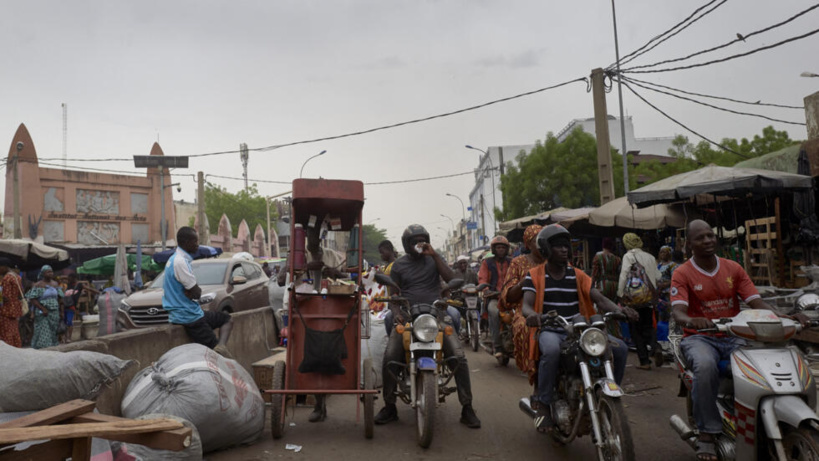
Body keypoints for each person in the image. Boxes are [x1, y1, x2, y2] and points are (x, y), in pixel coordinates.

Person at [671, 220, 807, 461]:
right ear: (689, 244)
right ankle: (707, 433)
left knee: (764, 365)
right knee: (705, 365)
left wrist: (784, 316)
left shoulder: (733, 268)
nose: (708, 240)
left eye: (710, 235)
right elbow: (678, 312)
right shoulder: (682, 273)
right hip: (700, 338)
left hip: (735, 335)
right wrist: (693, 320)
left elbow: (757, 302)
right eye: (701, 238)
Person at [521, 225, 637, 432]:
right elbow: (526, 305)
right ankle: (544, 404)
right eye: (558, 246)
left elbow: (600, 299)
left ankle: (608, 397)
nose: (564, 250)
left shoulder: (578, 275)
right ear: (546, 249)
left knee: (620, 349)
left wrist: (621, 310)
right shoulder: (534, 275)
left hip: (581, 328)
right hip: (552, 329)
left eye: (566, 246)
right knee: (551, 351)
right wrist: (533, 315)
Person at [375, 224, 481, 428]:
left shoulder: (434, 260)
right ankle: (389, 406)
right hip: (408, 316)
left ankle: (467, 408)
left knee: (458, 357)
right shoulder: (398, 265)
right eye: (415, 241)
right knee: (390, 357)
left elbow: (453, 279)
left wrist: (434, 255)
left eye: (422, 240)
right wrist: (397, 314)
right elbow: (394, 295)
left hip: (436, 315)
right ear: (406, 244)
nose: (419, 244)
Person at [162, 227, 234, 358]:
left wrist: (192, 291)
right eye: (195, 241)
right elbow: (196, 293)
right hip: (189, 317)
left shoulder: (176, 259)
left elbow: (193, 292)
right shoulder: (180, 262)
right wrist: (194, 291)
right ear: (187, 242)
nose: (197, 245)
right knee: (215, 355)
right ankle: (218, 351)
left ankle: (221, 347)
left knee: (227, 319)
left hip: (190, 312)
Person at [499, 224, 544, 373]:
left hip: (553, 307)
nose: (541, 244)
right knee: (526, 327)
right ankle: (533, 370)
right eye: (537, 240)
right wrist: (524, 283)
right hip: (525, 309)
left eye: (544, 239)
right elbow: (509, 296)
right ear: (528, 244)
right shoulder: (517, 263)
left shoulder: (554, 260)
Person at [617, 232, 662, 370]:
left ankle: (644, 361)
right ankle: (655, 347)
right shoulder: (650, 257)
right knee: (648, 326)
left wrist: (620, 293)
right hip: (649, 298)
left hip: (634, 299)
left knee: (635, 329)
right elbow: (658, 277)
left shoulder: (628, 256)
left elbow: (624, 275)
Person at [478, 235, 512, 356]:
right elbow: (482, 278)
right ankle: (497, 346)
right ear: (494, 249)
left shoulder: (512, 262)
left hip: (512, 297)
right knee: (493, 312)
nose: (501, 250)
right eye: (498, 247)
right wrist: (486, 290)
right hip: (495, 298)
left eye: (503, 247)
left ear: (507, 249)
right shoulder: (487, 263)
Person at [26, 265, 65, 349]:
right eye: (48, 272)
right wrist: (42, 308)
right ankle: (44, 349)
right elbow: (33, 299)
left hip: (54, 312)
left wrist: (61, 312)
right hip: (43, 313)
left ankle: (52, 349)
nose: (51, 273)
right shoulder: (38, 285)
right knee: (43, 332)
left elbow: (60, 299)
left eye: (51, 271)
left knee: (53, 331)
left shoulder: (55, 284)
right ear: (43, 273)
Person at [0, 258, 24, 347]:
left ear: (4, 267)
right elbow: (20, 293)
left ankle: (8, 350)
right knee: (14, 331)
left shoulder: (6, 278)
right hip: (15, 309)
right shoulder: (17, 277)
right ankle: (16, 347)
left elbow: (5, 297)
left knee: (6, 332)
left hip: (6, 310)